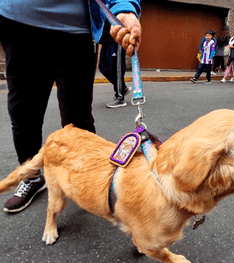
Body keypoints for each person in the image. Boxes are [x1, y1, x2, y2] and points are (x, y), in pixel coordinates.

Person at [0, 0, 141, 214]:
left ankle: (87, 178)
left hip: (77, 32)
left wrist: (124, 8)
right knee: (23, 114)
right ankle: (32, 177)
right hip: (19, 24)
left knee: (78, 120)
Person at [98, 23, 131, 108]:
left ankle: (120, 98)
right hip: (105, 41)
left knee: (116, 69)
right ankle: (122, 87)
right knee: (102, 67)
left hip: (116, 40)